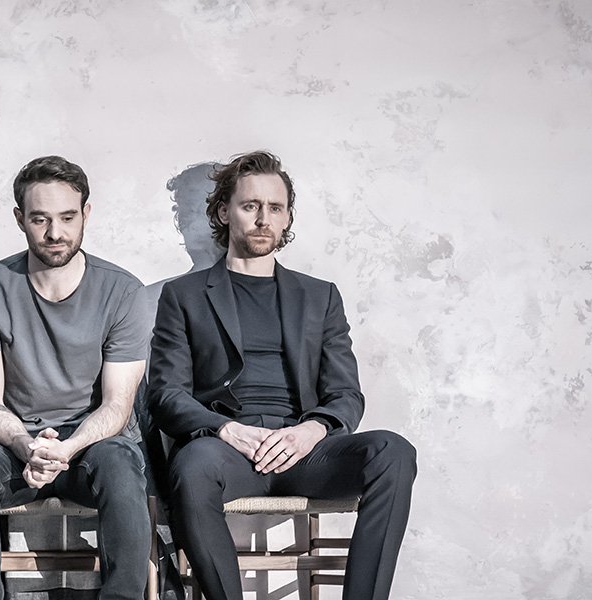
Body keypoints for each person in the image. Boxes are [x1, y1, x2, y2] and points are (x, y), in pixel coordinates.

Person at [147, 151, 416, 600]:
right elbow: (166, 394)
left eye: (275, 208)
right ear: (224, 212)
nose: (263, 219)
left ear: (287, 216)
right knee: (192, 466)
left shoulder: (320, 296)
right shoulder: (183, 295)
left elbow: (346, 394)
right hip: (228, 452)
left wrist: (310, 432)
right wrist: (227, 430)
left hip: (305, 452)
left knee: (394, 452)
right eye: (250, 206)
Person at [0, 156, 151, 600]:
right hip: (13, 445)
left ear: (86, 214)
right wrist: (27, 446)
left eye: (67, 217)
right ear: (20, 218)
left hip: (90, 446)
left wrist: (66, 449)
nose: (55, 232)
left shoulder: (123, 291)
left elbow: (117, 405)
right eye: (40, 219)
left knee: (120, 463)